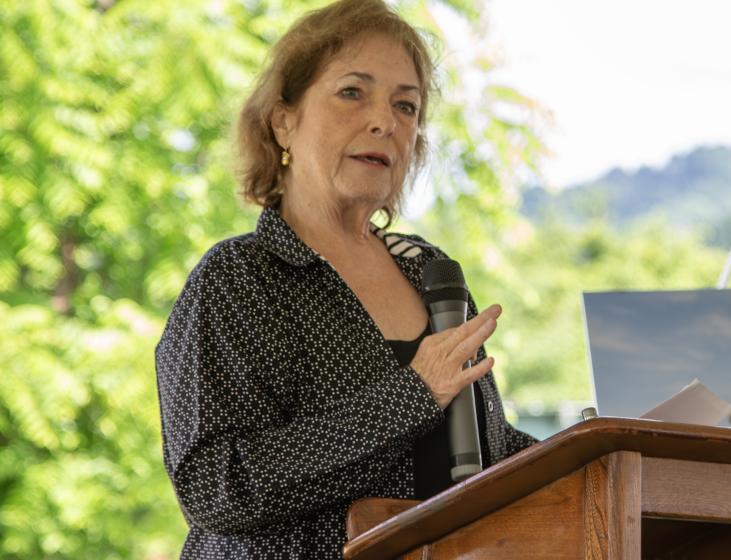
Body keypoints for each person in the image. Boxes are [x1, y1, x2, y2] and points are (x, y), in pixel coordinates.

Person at [154, 0, 537, 557]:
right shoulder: (240, 278)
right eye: (353, 92)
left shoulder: (431, 272)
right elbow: (218, 489)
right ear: (283, 120)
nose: (385, 120)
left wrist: (612, 444)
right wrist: (412, 395)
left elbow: (486, 452)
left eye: (406, 106)